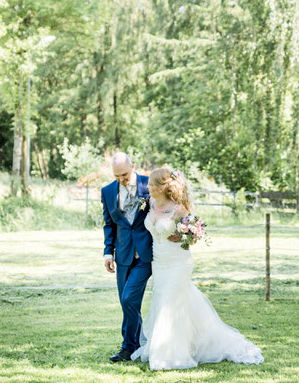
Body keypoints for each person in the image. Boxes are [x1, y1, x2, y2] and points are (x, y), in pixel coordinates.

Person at [130, 167, 264, 370]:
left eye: (150, 184)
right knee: (163, 301)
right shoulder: (150, 202)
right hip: (159, 262)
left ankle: (170, 354)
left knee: (170, 303)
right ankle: (176, 344)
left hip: (178, 262)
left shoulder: (180, 208)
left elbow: (196, 232)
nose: (147, 187)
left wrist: (185, 236)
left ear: (161, 187)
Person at [101, 152, 153, 362]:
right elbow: (109, 224)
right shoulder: (107, 191)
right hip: (122, 255)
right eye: (117, 176)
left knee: (129, 298)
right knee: (127, 304)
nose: (121, 179)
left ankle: (127, 347)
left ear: (133, 167)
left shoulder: (149, 185)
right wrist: (107, 251)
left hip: (146, 255)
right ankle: (138, 345)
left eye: (124, 174)